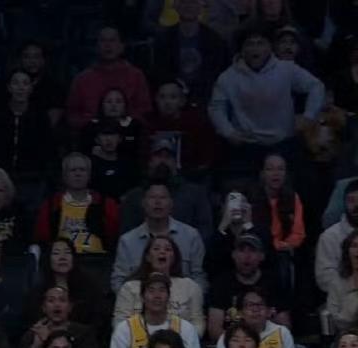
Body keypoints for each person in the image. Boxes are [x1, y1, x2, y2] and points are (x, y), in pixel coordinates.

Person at [208, 22, 323, 162]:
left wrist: (309, 116)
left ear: (269, 47)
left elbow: (316, 86)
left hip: (284, 143)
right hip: (247, 146)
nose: (255, 49)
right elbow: (216, 107)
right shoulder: (228, 77)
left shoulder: (286, 69)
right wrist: (228, 132)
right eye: (250, 44)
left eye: (260, 43)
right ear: (242, 49)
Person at [108, 273, 203, 348]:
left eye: (162, 290)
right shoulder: (125, 329)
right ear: (142, 297)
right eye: (151, 290)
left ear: (169, 296)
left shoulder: (186, 328)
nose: (157, 296)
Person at [111, 183, 206, 292]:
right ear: (143, 203)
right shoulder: (127, 241)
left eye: (163, 197)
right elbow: (118, 281)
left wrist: (191, 298)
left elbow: (199, 277)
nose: (158, 202)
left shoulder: (191, 235)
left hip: (183, 300)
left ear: (171, 203)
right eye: (152, 197)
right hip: (138, 300)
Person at [112, 236, 205, 337]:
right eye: (156, 249)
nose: (162, 252)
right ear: (147, 257)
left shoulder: (190, 286)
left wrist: (179, 342)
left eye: (168, 249)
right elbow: (119, 323)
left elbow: (198, 324)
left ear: (174, 258)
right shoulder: (129, 287)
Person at [65, 25, 152, 130]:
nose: (108, 45)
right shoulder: (82, 79)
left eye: (112, 40)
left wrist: (123, 125)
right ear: (96, 47)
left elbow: (144, 112)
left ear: (122, 46)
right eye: (103, 41)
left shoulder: (136, 76)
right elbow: (72, 115)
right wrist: (93, 124)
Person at [34, 152, 120, 257]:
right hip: (63, 260)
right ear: (64, 175)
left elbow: (114, 235)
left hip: (98, 260)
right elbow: (42, 238)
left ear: (89, 175)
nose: (78, 174)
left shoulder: (107, 204)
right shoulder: (51, 205)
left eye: (82, 170)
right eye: (73, 170)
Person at [211, 287, 298, 348]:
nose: (255, 310)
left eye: (260, 305)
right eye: (249, 305)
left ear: (269, 311)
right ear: (240, 312)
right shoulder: (228, 336)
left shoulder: (282, 332)